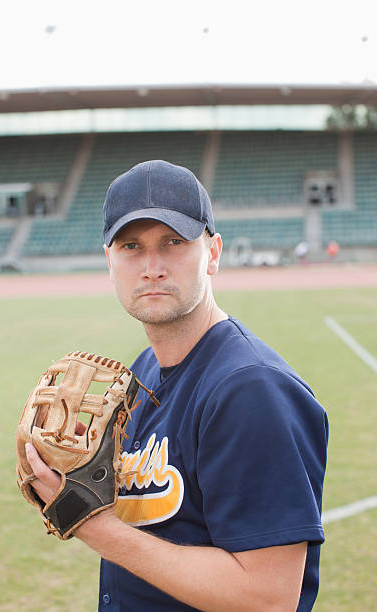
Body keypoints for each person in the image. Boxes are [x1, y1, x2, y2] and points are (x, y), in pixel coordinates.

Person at [26, 160, 328, 612]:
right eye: (131, 246)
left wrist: (94, 527)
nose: (152, 267)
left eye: (173, 242)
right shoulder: (142, 370)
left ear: (213, 253)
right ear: (110, 261)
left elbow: (269, 598)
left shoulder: (250, 390)